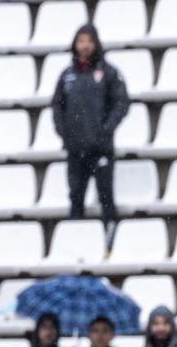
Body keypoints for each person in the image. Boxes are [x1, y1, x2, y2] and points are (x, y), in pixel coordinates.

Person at [51, 25, 129, 229]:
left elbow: (121, 103)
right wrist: (64, 132)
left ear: (95, 44)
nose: (84, 46)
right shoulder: (66, 76)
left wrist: (106, 129)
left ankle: (110, 242)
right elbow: (57, 106)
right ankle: (76, 245)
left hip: (100, 148)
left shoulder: (108, 73)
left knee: (106, 198)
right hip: (76, 150)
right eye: (80, 41)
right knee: (76, 199)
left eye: (88, 41)